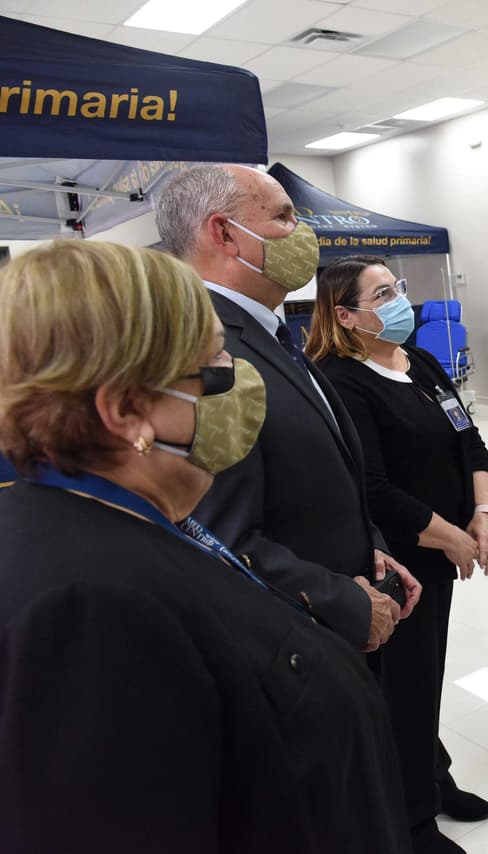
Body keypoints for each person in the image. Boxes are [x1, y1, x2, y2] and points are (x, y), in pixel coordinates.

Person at [0, 241, 412, 854]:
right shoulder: (91, 609)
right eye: (215, 371)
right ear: (126, 411)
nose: (238, 392)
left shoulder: (108, 519)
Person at [155, 164, 420, 658]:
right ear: (225, 233)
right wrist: (344, 602)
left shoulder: (267, 333)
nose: (304, 233)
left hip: (340, 611)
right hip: (292, 643)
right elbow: (216, 531)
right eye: (284, 218)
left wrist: (371, 546)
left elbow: (314, 472)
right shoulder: (201, 348)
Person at [307, 256, 488, 851]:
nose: (399, 302)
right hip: (399, 558)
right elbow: (374, 487)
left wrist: (485, 513)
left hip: (448, 544)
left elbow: (469, 438)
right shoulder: (341, 380)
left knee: (425, 676)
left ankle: (431, 779)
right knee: (407, 684)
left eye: (399, 289)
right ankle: (413, 822)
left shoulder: (420, 362)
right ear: (346, 314)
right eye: (383, 293)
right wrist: (452, 535)